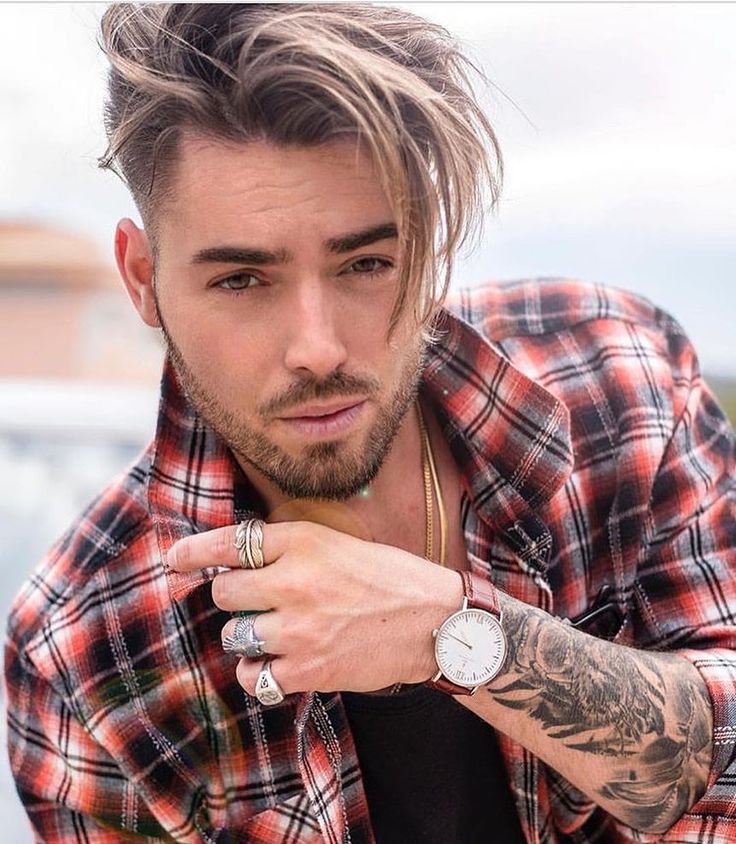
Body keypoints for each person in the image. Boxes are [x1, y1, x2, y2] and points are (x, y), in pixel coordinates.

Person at [5, 3, 736, 842]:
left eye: (365, 264)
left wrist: (451, 635)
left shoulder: (620, 380)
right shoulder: (85, 653)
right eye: (241, 281)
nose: (317, 348)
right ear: (142, 279)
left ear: (427, 247)